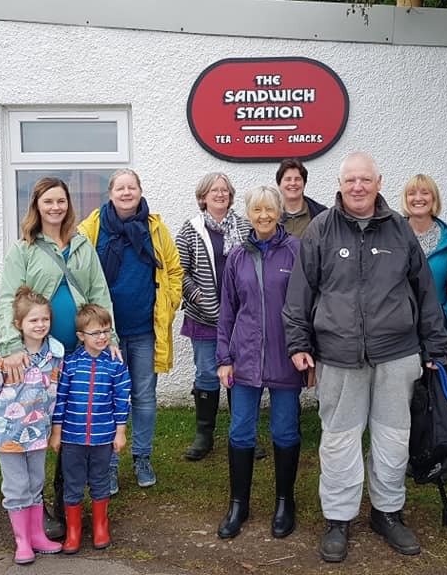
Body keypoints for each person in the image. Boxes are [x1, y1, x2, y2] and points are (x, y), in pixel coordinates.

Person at [284, 151, 447, 562]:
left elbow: (425, 292)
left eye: (366, 180)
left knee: (393, 438)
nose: (358, 187)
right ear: (340, 184)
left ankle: (387, 512)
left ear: (378, 183)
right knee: (339, 441)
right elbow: (299, 295)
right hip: (338, 355)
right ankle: (338, 519)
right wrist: (299, 344)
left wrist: (436, 346)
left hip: (397, 354)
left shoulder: (399, 231)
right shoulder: (321, 230)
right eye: (351, 180)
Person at [0, 176, 117, 540]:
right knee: (37, 426)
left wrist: (109, 340)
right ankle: (36, 505)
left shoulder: (82, 245)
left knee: (73, 427)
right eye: (48, 201)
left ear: (68, 204)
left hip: (79, 352)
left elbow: (99, 292)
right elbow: (7, 300)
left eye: (61, 201)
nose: (55, 207)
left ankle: (68, 503)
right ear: (36, 206)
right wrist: (10, 345)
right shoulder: (24, 249)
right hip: (39, 355)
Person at [78, 168, 183, 493]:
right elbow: (78, 275)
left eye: (131, 187)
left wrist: (170, 302)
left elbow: (174, 269)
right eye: (120, 188)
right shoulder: (92, 228)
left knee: (144, 397)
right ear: (110, 194)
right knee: (106, 398)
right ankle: (109, 465)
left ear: (139, 191)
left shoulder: (155, 228)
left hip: (144, 330)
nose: (126, 193)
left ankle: (142, 457)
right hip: (104, 336)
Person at [216, 185, 304, 540]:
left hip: (286, 358)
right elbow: (227, 312)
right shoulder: (237, 256)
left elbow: (307, 306)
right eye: (257, 211)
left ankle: (285, 501)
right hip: (245, 359)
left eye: (270, 209)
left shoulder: (296, 252)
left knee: (284, 430)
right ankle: (239, 504)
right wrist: (224, 358)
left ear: (279, 211)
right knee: (240, 431)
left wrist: (308, 351)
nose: (263, 216)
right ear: (248, 214)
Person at [0, 286, 65, 565]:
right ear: (19, 325)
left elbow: (57, 391)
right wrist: (0, 420)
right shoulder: (6, 359)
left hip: (39, 433)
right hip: (10, 435)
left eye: (45, 319)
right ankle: (22, 542)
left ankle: (37, 536)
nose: (40, 325)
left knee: (35, 483)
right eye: (33, 320)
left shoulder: (55, 355)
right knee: (17, 486)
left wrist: (54, 426)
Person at [176, 172, 251, 461]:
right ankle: (204, 436)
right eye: (214, 191)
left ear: (230, 196)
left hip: (241, 318)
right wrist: (198, 297)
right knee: (207, 372)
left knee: (241, 373)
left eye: (224, 190)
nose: (220, 194)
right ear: (203, 197)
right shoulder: (190, 229)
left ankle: (242, 433)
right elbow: (179, 271)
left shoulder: (245, 227)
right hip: (204, 316)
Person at [51, 304, 131, 553]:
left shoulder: (116, 364)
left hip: (102, 438)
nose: (102, 337)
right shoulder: (71, 364)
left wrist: (120, 432)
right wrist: (56, 432)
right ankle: (73, 531)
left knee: (99, 481)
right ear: (80, 336)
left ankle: (100, 526)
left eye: (106, 331)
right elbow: (60, 399)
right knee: (73, 484)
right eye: (95, 332)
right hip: (72, 439)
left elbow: (122, 399)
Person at [401, 174, 447, 365]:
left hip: (438, 331)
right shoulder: (391, 236)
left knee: (437, 391)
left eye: (425, 192)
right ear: (406, 199)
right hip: (399, 333)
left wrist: (446, 314)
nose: (418, 198)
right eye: (412, 193)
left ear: (434, 198)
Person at [275, 158, 327, 237]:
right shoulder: (269, 213)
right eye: (288, 179)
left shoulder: (322, 214)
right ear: (279, 184)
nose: (293, 183)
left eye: (297, 179)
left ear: (304, 183)